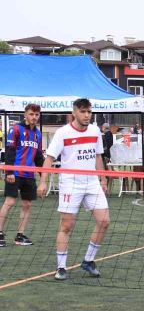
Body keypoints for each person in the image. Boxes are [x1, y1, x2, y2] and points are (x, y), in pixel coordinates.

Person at [37, 98, 110, 281]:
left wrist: (102, 179)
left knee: (104, 222)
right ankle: (61, 267)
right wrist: (43, 181)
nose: (87, 115)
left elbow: (98, 156)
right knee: (67, 225)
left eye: (89, 112)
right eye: (83, 112)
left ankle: (88, 261)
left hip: (92, 182)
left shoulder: (95, 130)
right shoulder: (63, 133)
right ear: (75, 112)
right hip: (70, 183)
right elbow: (49, 158)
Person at [0, 103, 44, 247]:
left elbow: (38, 157)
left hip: (29, 174)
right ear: (25, 114)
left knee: (27, 204)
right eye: (31, 114)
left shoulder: (38, 134)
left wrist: (43, 175)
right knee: (10, 202)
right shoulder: (16, 129)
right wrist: (10, 171)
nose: (34, 117)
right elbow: (10, 151)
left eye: (37, 115)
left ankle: (20, 236)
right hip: (15, 173)